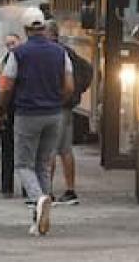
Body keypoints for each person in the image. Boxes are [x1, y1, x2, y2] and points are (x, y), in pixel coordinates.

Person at [0, 8, 73, 236]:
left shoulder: (18, 54)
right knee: (43, 164)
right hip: (54, 114)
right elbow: (69, 86)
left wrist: (2, 108)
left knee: (23, 164)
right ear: (42, 27)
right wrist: (58, 100)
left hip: (27, 114)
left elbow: (7, 85)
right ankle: (39, 217)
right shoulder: (60, 53)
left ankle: (38, 198)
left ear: (26, 29)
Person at [46, 21, 92, 205]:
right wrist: (77, 92)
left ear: (50, 35)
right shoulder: (69, 52)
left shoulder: (52, 54)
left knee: (49, 150)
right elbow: (88, 69)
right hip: (67, 108)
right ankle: (70, 189)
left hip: (54, 106)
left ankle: (47, 191)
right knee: (66, 150)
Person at [0, 33, 22, 197]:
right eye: (8, 43)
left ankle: (26, 188)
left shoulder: (24, 62)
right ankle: (6, 187)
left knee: (23, 153)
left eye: (13, 43)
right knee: (7, 152)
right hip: (5, 113)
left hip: (21, 112)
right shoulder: (1, 64)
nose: (11, 46)